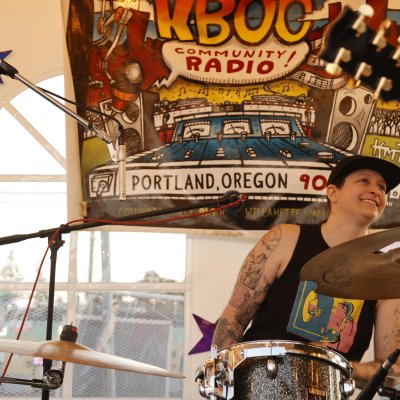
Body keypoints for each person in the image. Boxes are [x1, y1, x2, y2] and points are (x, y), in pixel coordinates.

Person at [212, 155, 400, 389]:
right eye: (364, 181)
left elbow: (392, 370)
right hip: (258, 386)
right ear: (333, 192)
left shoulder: (387, 275)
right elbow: (234, 318)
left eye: (382, 187)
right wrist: (221, 381)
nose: (375, 190)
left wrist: (335, 366)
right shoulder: (284, 239)